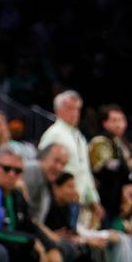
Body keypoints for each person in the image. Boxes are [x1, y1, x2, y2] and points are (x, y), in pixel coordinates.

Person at [38, 90, 103, 227]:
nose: (74, 113)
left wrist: (94, 200)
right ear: (58, 110)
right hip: (63, 199)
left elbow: (85, 171)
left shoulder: (79, 136)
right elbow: (43, 166)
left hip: (81, 199)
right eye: (69, 108)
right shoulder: (53, 133)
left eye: (77, 109)